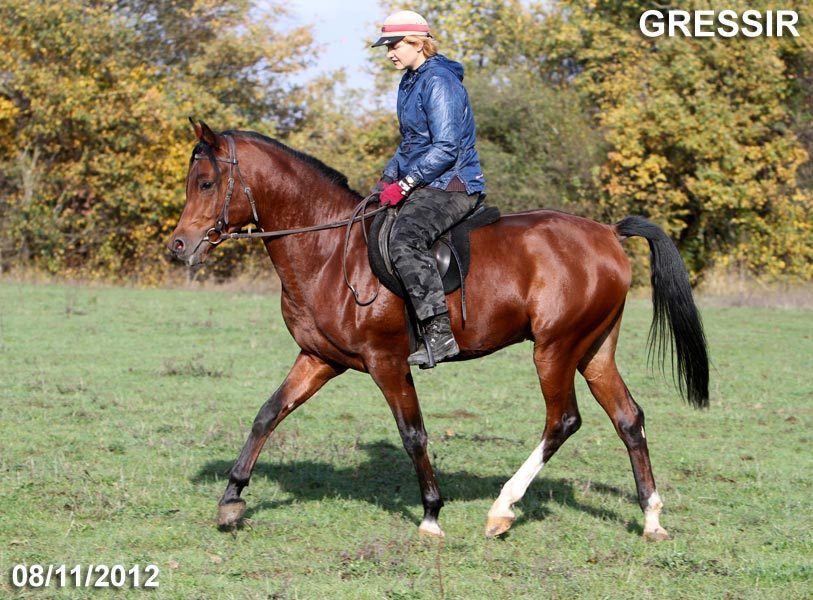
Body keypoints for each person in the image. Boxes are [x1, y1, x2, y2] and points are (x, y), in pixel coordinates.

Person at [371, 10, 486, 368]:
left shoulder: (439, 82)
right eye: (386, 46)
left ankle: (439, 333)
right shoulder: (409, 81)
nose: (389, 52)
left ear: (417, 43)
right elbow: (411, 144)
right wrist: (387, 180)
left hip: (453, 185)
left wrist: (405, 183)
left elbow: (446, 147)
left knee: (405, 239)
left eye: (394, 44)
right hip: (426, 181)